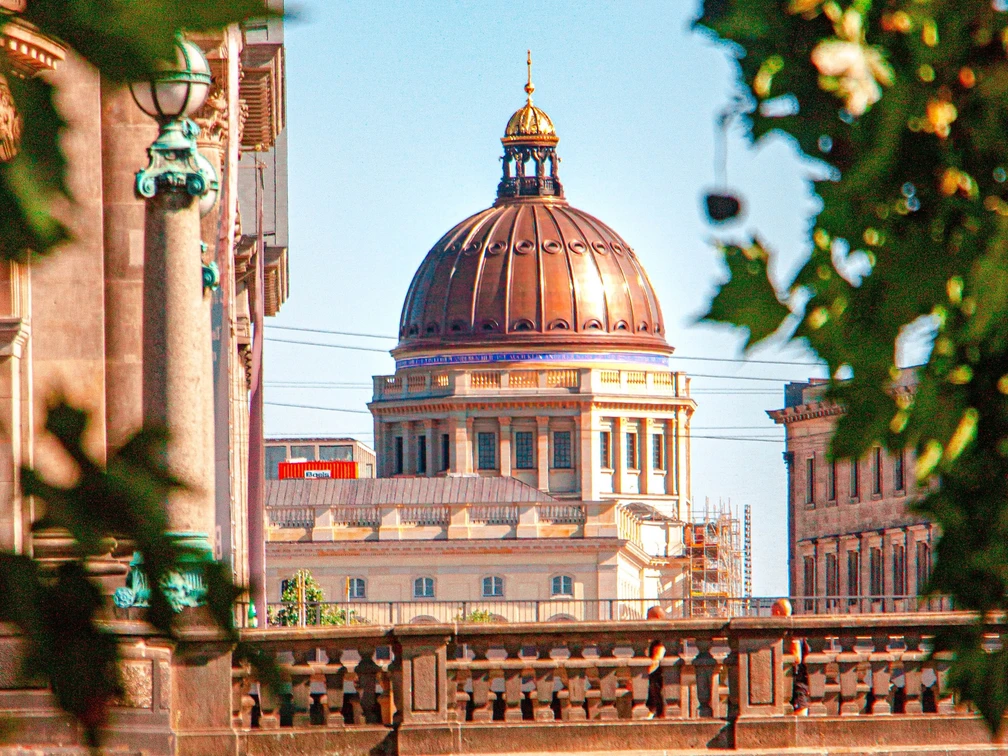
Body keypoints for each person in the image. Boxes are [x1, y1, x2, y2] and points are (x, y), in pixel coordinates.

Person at [771, 598, 809, 716]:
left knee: (800, 709)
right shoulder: (792, 628)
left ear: (776, 612)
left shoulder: (791, 631)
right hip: (797, 678)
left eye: (772, 613)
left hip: (796, 678)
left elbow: (796, 657)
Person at [645, 605, 667, 717]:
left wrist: (641, 677)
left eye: (648, 618)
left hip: (658, 682)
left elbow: (656, 660)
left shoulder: (660, 640)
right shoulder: (665, 637)